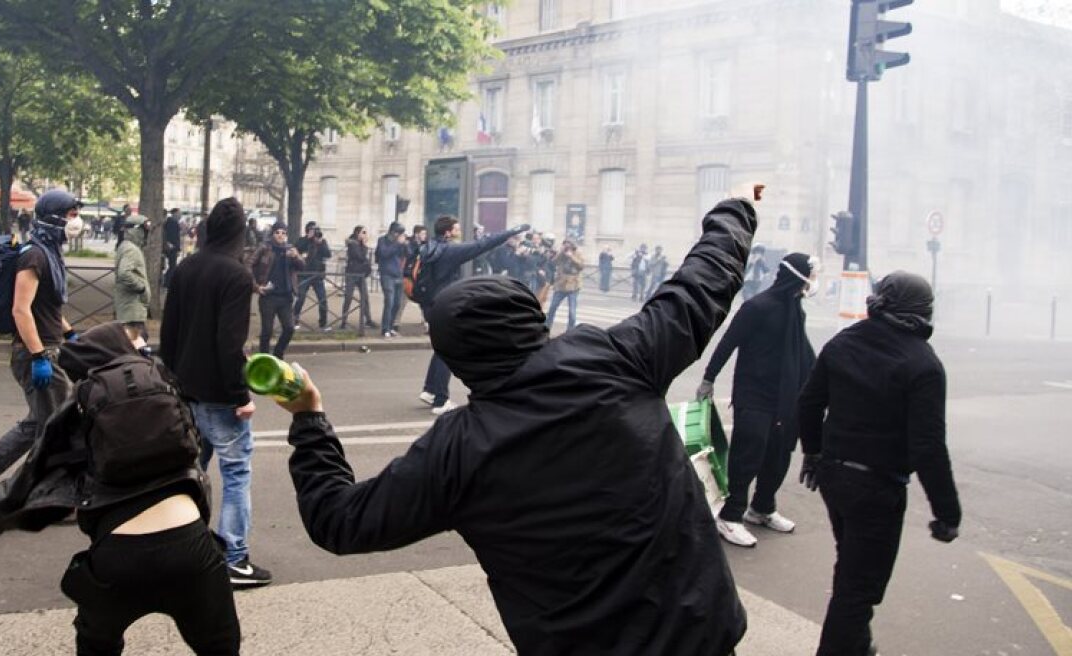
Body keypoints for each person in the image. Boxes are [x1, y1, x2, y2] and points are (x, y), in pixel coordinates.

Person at [278, 196, 759, 656]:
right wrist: (737, 207)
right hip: (700, 632)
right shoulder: (619, 357)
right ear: (533, 318)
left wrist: (308, 418)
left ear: (454, 358)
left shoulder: (459, 449)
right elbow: (702, 282)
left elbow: (339, 520)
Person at [0, 322, 241, 655]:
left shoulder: (81, 406)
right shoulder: (164, 385)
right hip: (191, 546)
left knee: (97, 644)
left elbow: (11, 495)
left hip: (117, 558)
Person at [798, 271, 961, 656]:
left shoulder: (845, 341)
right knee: (859, 589)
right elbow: (928, 447)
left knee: (852, 570)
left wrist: (813, 453)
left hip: (834, 477)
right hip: (877, 490)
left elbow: (809, 402)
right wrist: (947, 512)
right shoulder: (923, 364)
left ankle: (858, 647)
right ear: (922, 312)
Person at [160, 197, 272, 589]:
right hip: (219, 395)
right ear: (240, 233)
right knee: (236, 472)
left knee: (190, 472)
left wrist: (172, 381)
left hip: (185, 389)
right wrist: (241, 396)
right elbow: (229, 344)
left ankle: (179, 547)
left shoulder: (187, 267)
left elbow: (169, 333)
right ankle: (234, 557)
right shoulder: (236, 275)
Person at [0, 189, 83, 509]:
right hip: (37, 352)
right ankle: (23, 496)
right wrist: (38, 356)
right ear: (54, 217)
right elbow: (21, 310)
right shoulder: (34, 256)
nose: (76, 221)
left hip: (48, 347)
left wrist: (71, 334)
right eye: (71, 215)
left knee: (40, 424)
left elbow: (47, 307)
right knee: (57, 431)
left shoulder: (49, 252)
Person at [696, 252, 818, 548]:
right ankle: (730, 515)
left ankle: (762, 508)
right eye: (811, 277)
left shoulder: (796, 311)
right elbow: (728, 342)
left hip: (784, 398)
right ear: (797, 277)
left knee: (778, 455)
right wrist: (709, 378)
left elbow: (803, 353)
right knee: (748, 456)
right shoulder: (758, 307)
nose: (812, 283)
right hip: (754, 394)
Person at [416, 216, 529, 415]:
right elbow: (482, 245)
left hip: (430, 304)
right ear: (448, 232)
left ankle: (430, 391)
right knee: (448, 350)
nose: (459, 231)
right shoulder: (450, 251)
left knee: (441, 347)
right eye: (456, 228)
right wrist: (512, 231)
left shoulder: (430, 247)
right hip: (444, 303)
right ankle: (441, 401)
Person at [248, 221, 303, 359]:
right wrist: (256, 286)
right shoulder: (265, 247)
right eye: (277, 232)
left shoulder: (290, 249)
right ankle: (264, 358)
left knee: (289, 328)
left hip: (286, 296)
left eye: (283, 233)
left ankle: (278, 354)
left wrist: (296, 256)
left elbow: (302, 266)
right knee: (267, 331)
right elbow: (248, 264)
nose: (280, 235)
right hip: (268, 296)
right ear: (273, 233)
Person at [113, 214, 152, 342]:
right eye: (144, 230)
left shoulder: (125, 246)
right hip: (132, 308)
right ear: (136, 230)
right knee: (137, 343)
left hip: (129, 308)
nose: (146, 234)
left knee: (131, 343)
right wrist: (141, 288)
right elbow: (124, 273)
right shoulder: (131, 249)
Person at [292, 221, 333, 332]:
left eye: (316, 230)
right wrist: (307, 238)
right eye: (312, 230)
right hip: (304, 274)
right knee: (300, 298)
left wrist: (320, 243)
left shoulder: (322, 241)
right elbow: (296, 249)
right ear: (307, 230)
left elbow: (328, 254)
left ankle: (323, 324)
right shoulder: (302, 240)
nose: (315, 233)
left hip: (318, 275)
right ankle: (294, 321)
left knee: (322, 299)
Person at [339, 225, 376, 335]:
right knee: (348, 297)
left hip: (360, 273)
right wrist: (364, 245)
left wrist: (363, 245)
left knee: (365, 297)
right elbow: (360, 256)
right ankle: (343, 321)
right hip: (352, 273)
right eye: (363, 232)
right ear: (357, 233)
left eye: (365, 232)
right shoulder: (353, 244)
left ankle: (368, 319)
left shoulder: (358, 243)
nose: (365, 235)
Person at [374, 222, 408, 338]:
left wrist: (405, 245)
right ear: (393, 232)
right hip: (387, 274)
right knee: (389, 301)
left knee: (397, 303)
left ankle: (391, 326)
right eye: (399, 233)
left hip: (398, 274)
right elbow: (384, 253)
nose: (400, 236)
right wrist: (397, 244)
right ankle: (385, 328)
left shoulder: (400, 243)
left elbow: (408, 254)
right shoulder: (382, 240)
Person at [544, 239, 584, 329]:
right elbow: (554, 262)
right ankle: (547, 326)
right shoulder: (561, 253)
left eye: (568, 245)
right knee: (552, 307)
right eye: (565, 245)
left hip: (573, 285)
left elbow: (581, 266)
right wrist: (561, 252)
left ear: (572, 245)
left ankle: (570, 330)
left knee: (572, 311)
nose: (567, 247)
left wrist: (571, 256)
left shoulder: (578, 253)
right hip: (560, 285)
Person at [162, 208, 182, 288]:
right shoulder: (172, 222)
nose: (180, 215)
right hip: (172, 247)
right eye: (179, 213)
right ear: (174, 214)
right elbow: (173, 236)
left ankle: (168, 281)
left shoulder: (172, 222)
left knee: (172, 265)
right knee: (172, 266)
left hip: (172, 246)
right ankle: (168, 282)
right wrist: (175, 246)